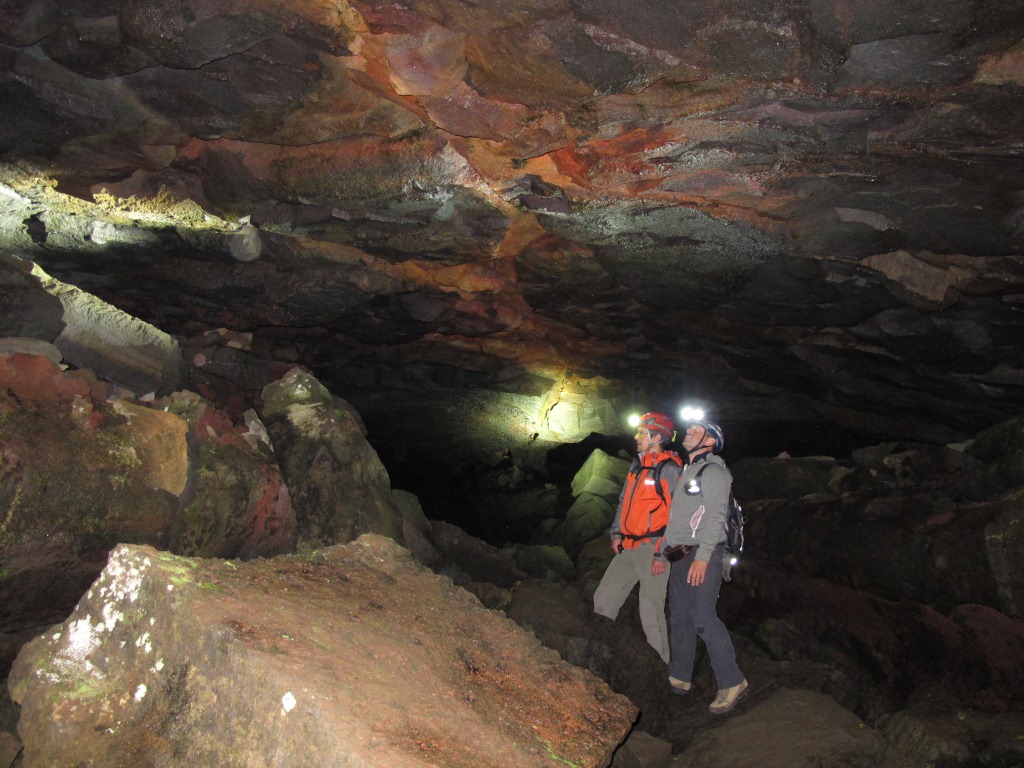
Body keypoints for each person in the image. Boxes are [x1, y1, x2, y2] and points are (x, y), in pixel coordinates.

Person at [657, 418, 749, 714]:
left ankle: (732, 680)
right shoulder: (688, 471)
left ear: (711, 442)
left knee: (702, 617)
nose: (689, 432)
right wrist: (661, 553)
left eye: (698, 431)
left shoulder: (715, 472)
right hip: (680, 554)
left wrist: (703, 556)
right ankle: (680, 675)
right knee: (680, 615)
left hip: (703, 553)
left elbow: (715, 517)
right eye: (690, 429)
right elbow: (676, 521)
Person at [593, 412, 683, 663]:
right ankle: (597, 652)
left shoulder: (670, 470)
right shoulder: (638, 465)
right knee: (604, 596)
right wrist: (616, 533)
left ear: (656, 437)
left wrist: (662, 554)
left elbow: (678, 517)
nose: (636, 437)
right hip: (629, 545)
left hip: (653, 546)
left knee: (651, 608)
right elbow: (624, 501)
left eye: (642, 433)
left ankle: (661, 666)